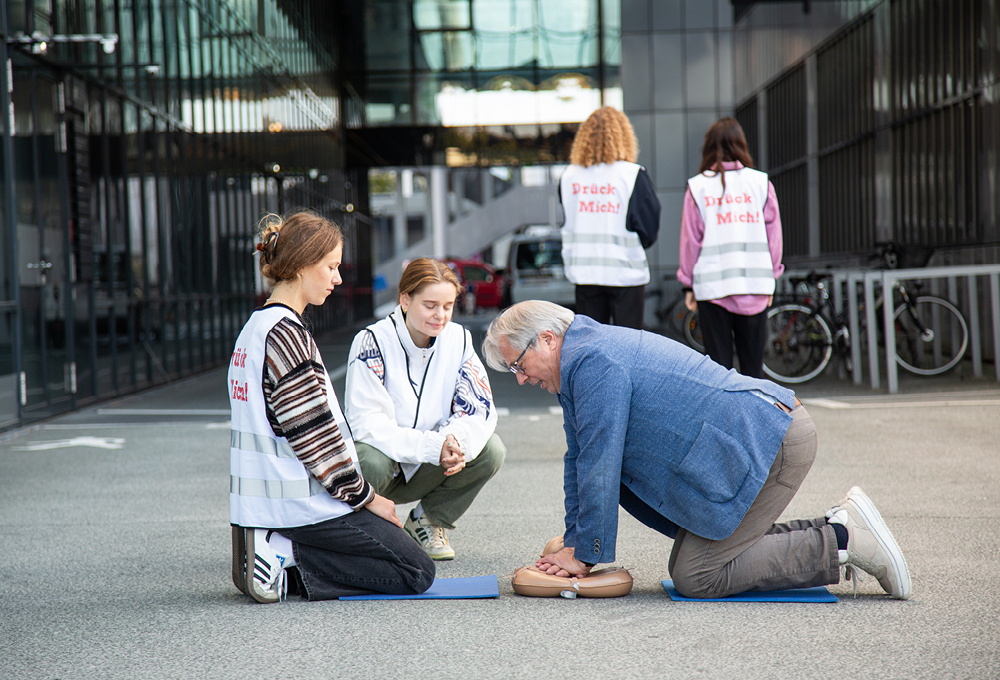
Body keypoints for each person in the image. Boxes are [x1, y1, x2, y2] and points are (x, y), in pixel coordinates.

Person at [482, 301, 910, 600]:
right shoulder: (580, 359)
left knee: (698, 574)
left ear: (547, 339)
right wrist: (577, 541)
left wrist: (583, 553)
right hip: (757, 437)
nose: (519, 378)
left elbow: (599, 460)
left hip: (770, 439)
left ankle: (844, 540)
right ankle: (838, 526)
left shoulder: (592, 360)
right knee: (700, 560)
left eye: (518, 364)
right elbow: (579, 458)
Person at [228, 211, 435, 603]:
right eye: (331, 266)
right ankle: (283, 552)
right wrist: (367, 498)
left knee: (397, 557)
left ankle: (277, 558)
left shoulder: (255, 329)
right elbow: (313, 437)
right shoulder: (287, 336)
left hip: (263, 505)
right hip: (300, 506)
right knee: (416, 571)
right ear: (303, 264)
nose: (337, 278)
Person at [345, 258, 506, 560]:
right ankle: (362, 531)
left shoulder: (458, 339)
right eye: (430, 305)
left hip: (429, 465)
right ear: (405, 300)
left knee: (490, 450)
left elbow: (479, 408)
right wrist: (434, 447)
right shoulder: (372, 341)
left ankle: (427, 520)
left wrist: (454, 440)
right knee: (369, 459)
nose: (440, 315)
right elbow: (366, 423)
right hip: (382, 468)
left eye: (448, 306)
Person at [678, 117, 784, 378]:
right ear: (741, 144)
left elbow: (691, 241)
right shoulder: (761, 183)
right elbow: (774, 238)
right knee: (753, 371)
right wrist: (771, 277)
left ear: (709, 146)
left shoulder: (698, 187)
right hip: (755, 286)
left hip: (713, 289)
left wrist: (689, 285)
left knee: (718, 373)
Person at [559, 106, 661, 329]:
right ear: (624, 137)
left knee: (592, 342)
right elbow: (649, 230)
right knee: (628, 343)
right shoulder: (632, 175)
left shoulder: (569, 176)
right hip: (625, 273)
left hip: (585, 274)